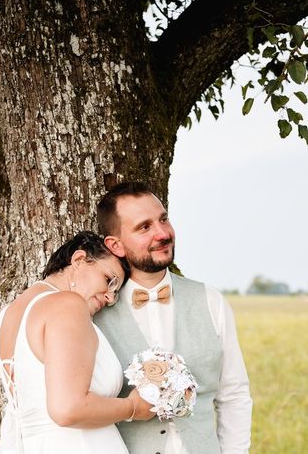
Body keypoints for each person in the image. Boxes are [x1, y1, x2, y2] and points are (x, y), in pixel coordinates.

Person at [94, 182, 253, 454]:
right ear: (115, 245)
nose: (162, 233)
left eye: (163, 219)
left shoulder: (211, 301)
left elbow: (234, 396)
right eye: (144, 227)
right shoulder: (96, 313)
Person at [0, 231, 155, 454]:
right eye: (109, 281)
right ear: (79, 260)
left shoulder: (7, 315)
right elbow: (68, 408)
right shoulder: (68, 304)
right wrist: (134, 407)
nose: (109, 298)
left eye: (116, 292)